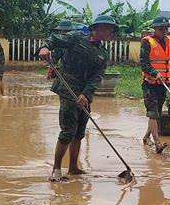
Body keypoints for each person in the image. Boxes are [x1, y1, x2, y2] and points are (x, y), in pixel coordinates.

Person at [37, 15, 118, 182]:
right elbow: (54, 39)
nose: (111, 32)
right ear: (98, 28)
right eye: (109, 29)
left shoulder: (103, 54)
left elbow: (96, 77)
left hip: (84, 92)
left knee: (80, 131)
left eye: (112, 30)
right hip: (67, 87)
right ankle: (56, 169)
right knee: (68, 130)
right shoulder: (76, 38)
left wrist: (86, 94)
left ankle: (73, 168)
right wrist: (44, 47)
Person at [140, 16, 170, 153]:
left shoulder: (169, 41)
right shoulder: (147, 42)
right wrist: (154, 73)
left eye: (166, 28)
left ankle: (146, 137)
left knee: (156, 112)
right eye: (161, 28)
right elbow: (144, 63)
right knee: (153, 112)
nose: (164, 31)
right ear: (155, 29)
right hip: (150, 83)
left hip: (164, 83)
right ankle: (157, 142)